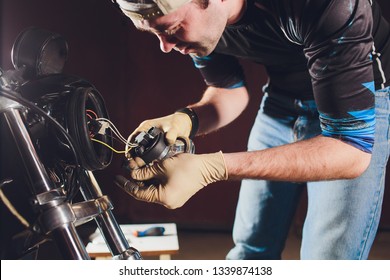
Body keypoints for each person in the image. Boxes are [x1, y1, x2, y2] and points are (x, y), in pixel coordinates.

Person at [112, 0, 390, 259]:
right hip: (282, 100)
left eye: (171, 29)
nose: (166, 45)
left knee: (327, 261)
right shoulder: (205, 22)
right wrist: (186, 119)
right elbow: (228, 91)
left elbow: (351, 150)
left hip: (360, 108)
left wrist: (213, 167)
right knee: (249, 251)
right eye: (157, 33)